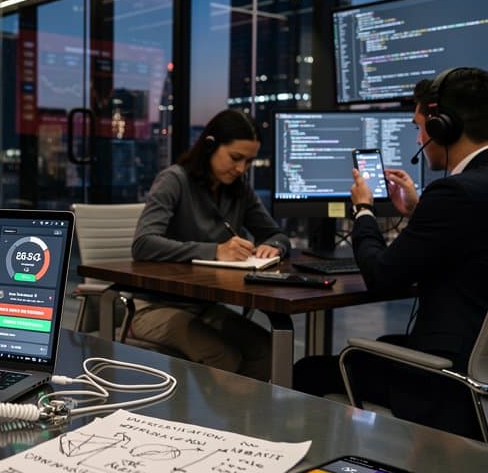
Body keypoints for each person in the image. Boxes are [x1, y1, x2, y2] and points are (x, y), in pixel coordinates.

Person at [294, 68, 488, 439]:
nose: (419, 137)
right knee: (383, 347)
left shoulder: (455, 194)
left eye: (420, 127)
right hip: (479, 366)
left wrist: (363, 210)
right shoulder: (468, 194)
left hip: (451, 381)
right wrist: (418, 212)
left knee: (308, 370)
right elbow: (468, 244)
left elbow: (382, 277)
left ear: (442, 127)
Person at [128, 109, 290, 380]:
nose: (241, 169)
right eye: (236, 158)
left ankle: (240, 419)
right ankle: (225, 417)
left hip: (204, 306)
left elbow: (276, 234)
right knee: (223, 356)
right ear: (210, 146)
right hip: (151, 307)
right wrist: (214, 251)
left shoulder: (238, 190)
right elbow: (143, 244)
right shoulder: (174, 180)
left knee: (266, 349)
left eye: (249, 162)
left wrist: (275, 246)